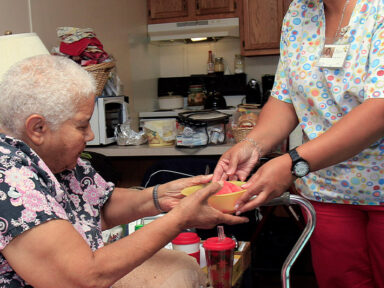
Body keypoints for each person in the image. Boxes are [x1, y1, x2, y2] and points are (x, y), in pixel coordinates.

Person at [213, 0, 384, 288]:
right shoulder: (298, 14)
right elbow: (285, 98)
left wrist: (294, 163)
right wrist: (254, 146)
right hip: (327, 192)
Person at [0, 54, 248, 288]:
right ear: (38, 128)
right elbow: (84, 278)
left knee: (180, 264)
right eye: (82, 125)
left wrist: (164, 197)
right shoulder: (9, 179)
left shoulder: (55, 160)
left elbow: (101, 205)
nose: (91, 135)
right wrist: (180, 218)